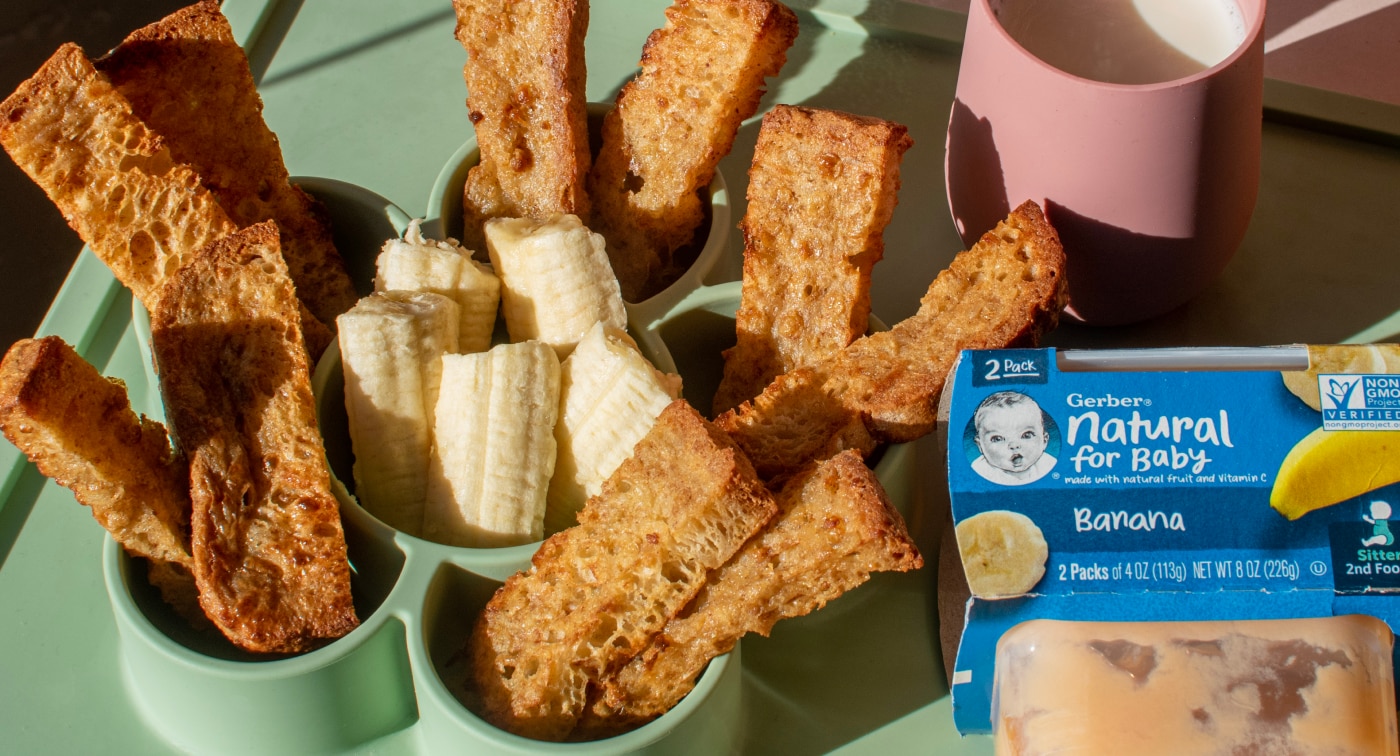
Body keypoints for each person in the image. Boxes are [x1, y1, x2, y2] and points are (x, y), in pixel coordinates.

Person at [970, 391, 1056, 486]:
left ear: (1044, 440)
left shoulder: (1048, 465)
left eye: (1026, 435)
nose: (1014, 445)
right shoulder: (981, 471)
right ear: (980, 445)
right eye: (998, 438)